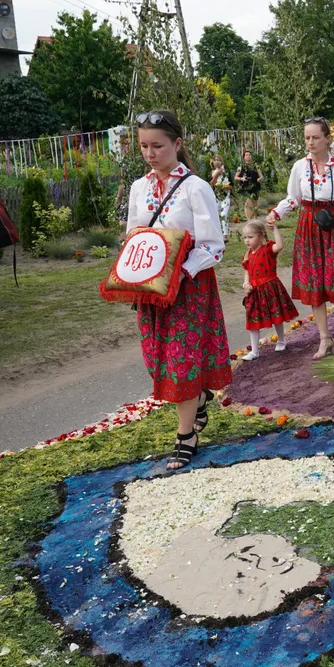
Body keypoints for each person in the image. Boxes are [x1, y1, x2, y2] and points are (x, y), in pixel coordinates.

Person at [127, 110, 231, 470]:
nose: (150, 153)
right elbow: (133, 235)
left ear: (177, 144)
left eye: (157, 145)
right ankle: (200, 395)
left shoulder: (195, 188)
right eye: (144, 146)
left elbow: (214, 245)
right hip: (152, 291)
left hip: (188, 288)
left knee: (181, 361)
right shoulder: (138, 188)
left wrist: (181, 272)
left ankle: (186, 435)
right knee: (158, 358)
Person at [267, 118, 334, 360]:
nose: (310, 142)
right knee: (314, 284)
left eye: (315, 137)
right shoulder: (300, 166)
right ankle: (325, 338)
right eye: (307, 138)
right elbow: (293, 198)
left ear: (327, 138)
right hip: (308, 227)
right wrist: (277, 211)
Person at [241, 218, 298, 361]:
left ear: (261, 236)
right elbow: (247, 271)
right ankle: (255, 351)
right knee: (253, 319)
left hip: (270, 288)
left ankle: (281, 340)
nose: (247, 241)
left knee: (276, 314)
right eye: (245, 238)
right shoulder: (248, 255)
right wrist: (246, 283)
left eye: (250, 237)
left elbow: (279, 246)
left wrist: (275, 229)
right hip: (254, 292)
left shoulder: (267, 249)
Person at [234, 149, 263, 220]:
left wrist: (259, 179)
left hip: (255, 186)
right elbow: (235, 177)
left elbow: (261, 176)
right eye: (246, 155)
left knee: (254, 204)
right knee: (246, 205)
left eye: (249, 155)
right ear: (244, 157)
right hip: (246, 187)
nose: (248, 156)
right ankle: (249, 220)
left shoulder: (256, 165)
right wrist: (241, 179)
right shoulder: (240, 167)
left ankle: (255, 218)